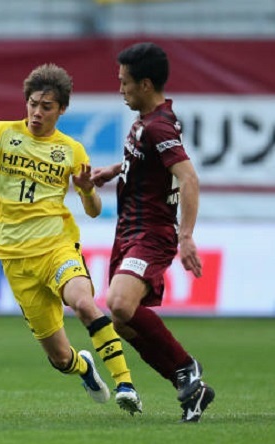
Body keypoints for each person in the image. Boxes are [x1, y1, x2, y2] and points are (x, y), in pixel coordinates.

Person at [0, 63, 142, 415]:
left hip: (56, 248)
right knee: (61, 358)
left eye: (47, 107)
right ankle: (84, 368)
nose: (36, 112)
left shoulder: (72, 151)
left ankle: (126, 384)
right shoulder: (1, 133)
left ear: (61, 110)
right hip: (16, 259)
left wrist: (88, 190)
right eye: (33, 103)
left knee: (83, 303)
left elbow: (92, 210)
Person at [91, 42, 215, 422]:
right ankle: (187, 385)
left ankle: (188, 366)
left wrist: (186, 235)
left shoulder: (159, 125)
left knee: (119, 304)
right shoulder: (150, 119)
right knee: (123, 321)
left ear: (145, 84)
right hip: (129, 231)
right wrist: (115, 170)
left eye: (125, 82)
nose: (120, 88)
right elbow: (149, 162)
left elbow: (187, 177)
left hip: (151, 231)